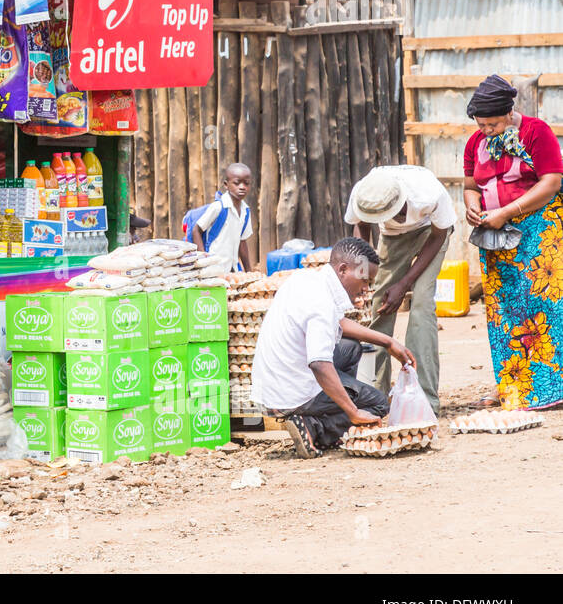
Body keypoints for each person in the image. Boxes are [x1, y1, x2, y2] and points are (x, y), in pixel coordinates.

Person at [251, 237, 416, 459]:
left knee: (350, 348)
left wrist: (388, 342)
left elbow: (338, 323)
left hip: (273, 383)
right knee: (377, 405)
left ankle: (328, 411)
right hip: (293, 391)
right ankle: (315, 427)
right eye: (365, 281)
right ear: (343, 269)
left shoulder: (306, 278)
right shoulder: (321, 302)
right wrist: (353, 411)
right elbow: (319, 364)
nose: (366, 289)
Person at [463, 75, 563, 409]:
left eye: (492, 123)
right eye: (481, 124)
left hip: (539, 235)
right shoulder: (475, 142)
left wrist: (508, 211)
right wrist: (472, 206)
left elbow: (550, 182)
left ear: (509, 113)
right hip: (496, 237)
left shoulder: (537, 132)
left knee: (543, 309)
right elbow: (469, 185)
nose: (486, 130)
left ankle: (550, 389)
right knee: (504, 311)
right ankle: (511, 383)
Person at [344, 165, 455, 413]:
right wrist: (363, 279)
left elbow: (438, 236)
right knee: (379, 306)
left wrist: (404, 284)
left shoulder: (429, 193)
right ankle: (374, 396)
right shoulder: (363, 194)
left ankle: (425, 400)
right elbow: (361, 230)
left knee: (421, 306)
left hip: (430, 234)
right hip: (392, 238)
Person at [190, 162, 253, 272]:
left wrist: (249, 270)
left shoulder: (245, 211)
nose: (242, 187)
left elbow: (242, 241)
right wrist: (204, 259)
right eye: (237, 183)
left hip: (232, 268)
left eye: (246, 183)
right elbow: (196, 230)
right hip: (213, 267)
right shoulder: (219, 207)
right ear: (226, 185)